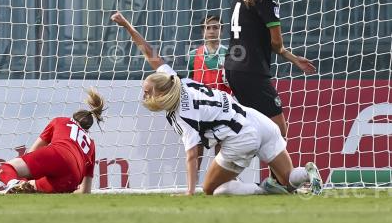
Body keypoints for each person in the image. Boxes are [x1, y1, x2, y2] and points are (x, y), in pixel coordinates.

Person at [111, 11, 322, 196]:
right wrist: (128, 26)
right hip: (255, 120)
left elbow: (192, 154)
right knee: (288, 177)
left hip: (237, 132)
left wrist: (190, 192)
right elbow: (149, 53)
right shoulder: (173, 77)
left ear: (162, 91)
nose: (145, 97)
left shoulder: (182, 113)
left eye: (147, 92)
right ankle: (307, 173)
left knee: (214, 189)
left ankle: (262, 189)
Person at [224, 0, 317, 139]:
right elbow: (276, 42)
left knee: (252, 132)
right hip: (252, 71)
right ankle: (280, 171)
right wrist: (293, 58)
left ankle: (230, 164)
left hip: (234, 69)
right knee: (279, 133)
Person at [0, 89, 105, 194]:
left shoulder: (61, 121)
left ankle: (15, 183)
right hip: (72, 179)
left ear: (74, 118)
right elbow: (85, 191)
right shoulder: (91, 144)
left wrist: (24, 174)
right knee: (30, 187)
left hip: (57, 154)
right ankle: (23, 185)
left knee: (4, 169)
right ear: (88, 128)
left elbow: (33, 150)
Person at [188, 15, 231, 94]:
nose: (211, 31)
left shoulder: (229, 54)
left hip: (224, 102)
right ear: (202, 32)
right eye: (207, 28)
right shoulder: (193, 54)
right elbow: (190, 78)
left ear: (221, 31)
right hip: (200, 102)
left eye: (215, 28)